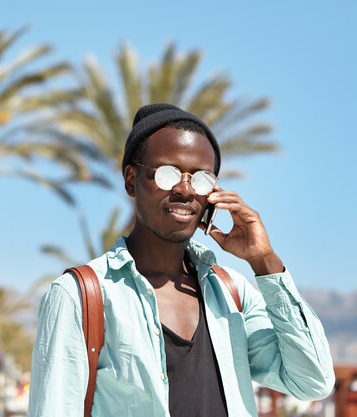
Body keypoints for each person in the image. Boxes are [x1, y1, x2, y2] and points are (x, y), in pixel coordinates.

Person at [28, 104, 335, 417]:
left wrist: (264, 262)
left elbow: (312, 381)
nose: (185, 190)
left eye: (201, 179)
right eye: (167, 174)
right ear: (131, 180)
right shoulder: (82, 297)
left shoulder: (231, 295)